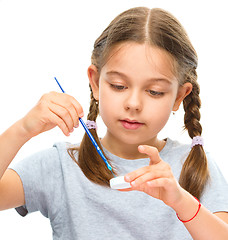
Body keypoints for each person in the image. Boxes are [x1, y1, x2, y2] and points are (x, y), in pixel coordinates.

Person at [0, 6, 228, 240]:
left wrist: (181, 202)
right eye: (119, 86)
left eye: (154, 91)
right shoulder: (61, 167)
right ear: (96, 82)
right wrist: (22, 130)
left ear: (179, 96)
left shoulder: (196, 166)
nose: (133, 103)